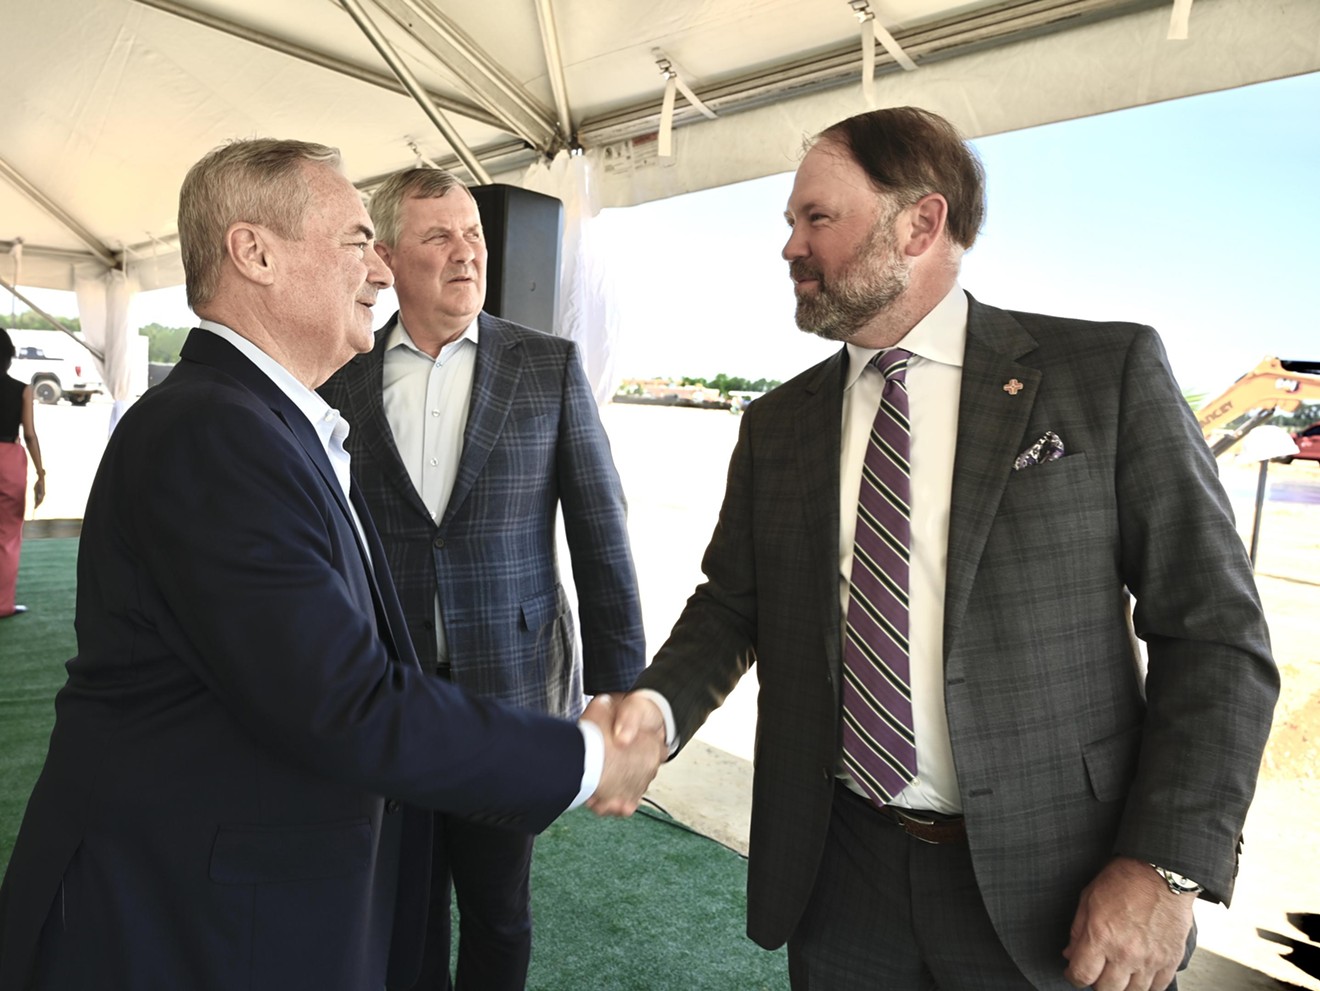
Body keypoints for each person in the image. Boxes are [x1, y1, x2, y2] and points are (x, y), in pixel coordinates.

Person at [607, 106, 1279, 991]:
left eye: (818, 218)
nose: (790, 246)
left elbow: (1215, 634)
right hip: (841, 875)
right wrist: (656, 711)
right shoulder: (779, 424)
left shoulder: (1102, 375)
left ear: (922, 223)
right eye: (789, 222)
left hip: (1059, 887)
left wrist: (1164, 865)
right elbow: (734, 603)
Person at [0, 139, 662, 991]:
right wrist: (587, 756)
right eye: (358, 241)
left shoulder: (259, 417)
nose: (379, 271)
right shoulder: (211, 431)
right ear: (256, 252)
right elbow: (342, 698)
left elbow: (598, 540)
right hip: (177, 917)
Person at [320, 167, 645, 991]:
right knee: (403, 906)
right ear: (388, 257)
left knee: (499, 913)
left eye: (474, 236)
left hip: (509, 696)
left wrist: (624, 694)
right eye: (439, 237)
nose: (466, 254)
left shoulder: (547, 366)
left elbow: (602, 539)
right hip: (384, 700)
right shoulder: (342, 383)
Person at [0, 329, 46, 618]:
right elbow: (29, 435)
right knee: (7, 536)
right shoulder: (22, 390)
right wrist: (41, 473)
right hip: (9, 460)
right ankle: (3, 604)